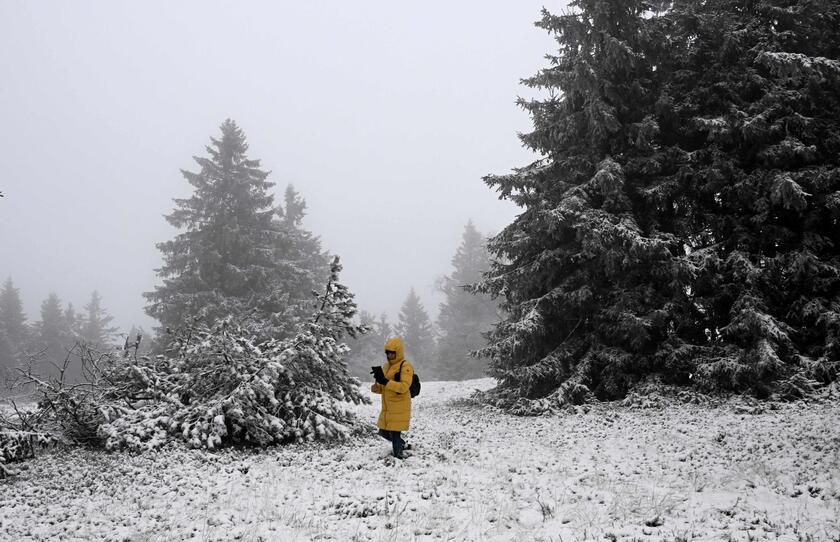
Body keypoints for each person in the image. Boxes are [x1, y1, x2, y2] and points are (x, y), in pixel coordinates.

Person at [370, 337, 414, 459]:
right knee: (383, 431)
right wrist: (376, 386)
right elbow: (384, 387)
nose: (389, 355)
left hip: (399, 405)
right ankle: (403, 444)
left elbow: (404, 387)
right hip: (388, 407)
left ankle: (398, 456)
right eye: (388, 353)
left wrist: (385, 381)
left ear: (398, 352)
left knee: (395, 433)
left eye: (392, 353)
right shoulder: (386, 367)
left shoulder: (405, 366)